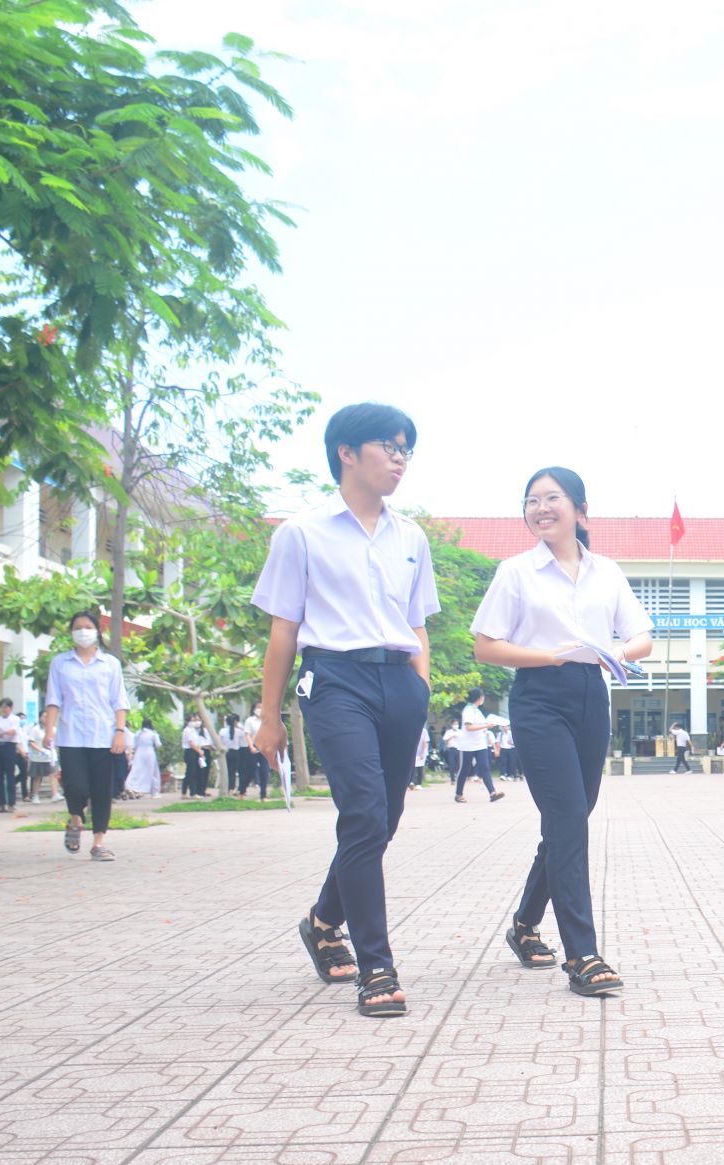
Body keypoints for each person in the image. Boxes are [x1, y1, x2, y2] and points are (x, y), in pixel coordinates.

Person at [253, 402, 439, 1020]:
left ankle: (323, 920)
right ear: (347, 452)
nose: (400, 459)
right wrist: (269, 717)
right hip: (333, 678)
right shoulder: (302, 532)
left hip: (399, 681)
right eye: (389, 446)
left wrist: (421, 691)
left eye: (406, 449)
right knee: (362, 813)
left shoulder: (411, 537)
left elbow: (416, 624)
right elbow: (284, 629)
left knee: (381, 821)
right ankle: (376, 967)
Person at [472, 465, 652, 999]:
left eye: (552, 498)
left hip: (592, 693)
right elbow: (485, 646)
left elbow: (641, 637)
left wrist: (612, 652)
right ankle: (583, 954)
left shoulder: (606, 571)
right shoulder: (516, 572)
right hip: (539, 696)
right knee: (568, 818)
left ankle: (525, 925)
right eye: (532, 501)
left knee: (570, 820)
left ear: (580, 509)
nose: (541, 508)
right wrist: (550, 656)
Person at [42, 610, 132, 861]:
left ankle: (98, 843)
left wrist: (120, 731)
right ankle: (74, 819)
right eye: (78, 627)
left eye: (88, 627)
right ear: (71, 633)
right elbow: (54, 699)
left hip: (102, 734)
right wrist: (49, 731)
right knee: (75, 785)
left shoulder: (110, 664)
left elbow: (119, 700)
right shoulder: (60, 663)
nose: (83, 632)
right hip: (71, 735)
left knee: (102, 790)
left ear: (97, 631)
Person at [458, 689, 502, 802]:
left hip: (480, 744)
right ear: (478, 698)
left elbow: (479, 725)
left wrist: (486, 725)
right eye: (482, 697)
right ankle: (458, 794)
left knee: (485, 768)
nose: (483, 699)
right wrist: (486, 726)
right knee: (465, 769)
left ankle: (492, 793)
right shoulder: (468, 710)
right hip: (468, 745)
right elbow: (469, 727)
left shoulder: (477, 710)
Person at [126, 716, 163, 797]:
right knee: (153, 772)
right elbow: (158, 744)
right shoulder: (153, 733)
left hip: (139, 753)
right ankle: (154, 792)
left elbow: (134, 745)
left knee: (136, 770)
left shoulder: (138, 733)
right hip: (149, 753)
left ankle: (130, 785)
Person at [180, 713, 208, 798]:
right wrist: (199, 751)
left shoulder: (193, 730)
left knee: (190, 773)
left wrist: (199, 750)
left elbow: (197, 742)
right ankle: (193, 793)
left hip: (195, 752)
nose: (194, 722)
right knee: (191, 773)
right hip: (190, 752)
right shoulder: (187, 730)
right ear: (187, 721)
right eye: (192, 721)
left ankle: (184, 792)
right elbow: (191, 743)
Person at [224, 713, 249, 797]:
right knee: (233, 772)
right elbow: (243, 741)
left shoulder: (222, 731)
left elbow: (220, 742)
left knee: (227, 771)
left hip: (226, 752)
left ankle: (228, 788)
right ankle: (232, 789)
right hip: (236, 752)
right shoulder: (239, 731)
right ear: (235, 721)